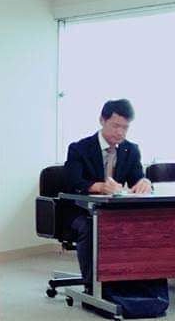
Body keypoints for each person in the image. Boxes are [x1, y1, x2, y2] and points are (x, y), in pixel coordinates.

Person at [64, 99, 151, 286]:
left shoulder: (131, 150)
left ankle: (127, 281)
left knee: (142, 224)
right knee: (92, 227)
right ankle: (92, 285)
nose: (120, 132)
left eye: (125, 128)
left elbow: (137, 178)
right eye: (116, 126)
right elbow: (73, 182)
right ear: (102, 120)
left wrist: (144, 182)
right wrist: (101, 187)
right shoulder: (79, 148)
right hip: (81, 211)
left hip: (114, 210)